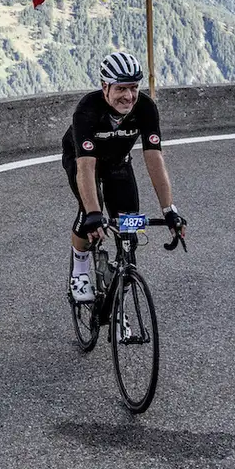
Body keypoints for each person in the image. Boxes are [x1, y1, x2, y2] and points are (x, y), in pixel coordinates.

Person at [62, 52, 186, 304]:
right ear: (104, 86)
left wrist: (168, 209)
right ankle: (80, 268)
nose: (128, 96)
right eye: (121, 88)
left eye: (133, 88)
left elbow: (154, 158)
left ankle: (118, 305)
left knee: (130, 226)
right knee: (89, 216)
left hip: (118, 163)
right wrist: (94, 213)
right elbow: (85, 167)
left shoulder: (146, 108)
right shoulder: (87, 109)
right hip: (84, 162)